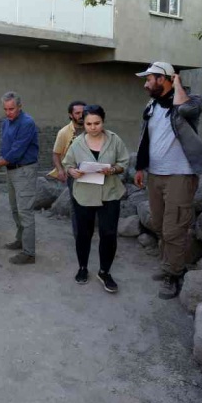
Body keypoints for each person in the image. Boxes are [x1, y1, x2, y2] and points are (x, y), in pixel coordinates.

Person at [133, 62, 202, 299]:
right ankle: (169, 265)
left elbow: (186, 111)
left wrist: (178, 83)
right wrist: (140, 167)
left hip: (180, 175)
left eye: (150, 79)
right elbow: (145, 136)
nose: (145, 83)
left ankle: (174, 274)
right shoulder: (151, 105)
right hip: (155, 174)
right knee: (160, 225)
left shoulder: (192, 100)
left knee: (175, 228)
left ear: (164, 79)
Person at [63, 105, 129, 293]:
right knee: (84, 234)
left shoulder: (114, 140)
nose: (93, 127)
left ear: (103, 121)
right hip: (84, 194)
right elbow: (67, 163)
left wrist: (113, 169)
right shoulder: (77, 143)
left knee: (108, 233)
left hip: (110, 193)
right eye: (88, 123)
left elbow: (124, 162)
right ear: (83, 123)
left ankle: (104, 271)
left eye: (97, 123)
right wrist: (71, 171)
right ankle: (83, 267)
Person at [0, 92, 40, 265]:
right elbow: (6, 147)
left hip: (24, 171)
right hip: (12, 170)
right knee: (15, 209)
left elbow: (16, 151)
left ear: (20, 106)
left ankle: (29, 253)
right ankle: (21, 239)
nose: (8, 112)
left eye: (12, 109)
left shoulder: (27, 123)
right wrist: (1, 163)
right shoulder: (6, 123)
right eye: (5, 109)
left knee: (25, 212)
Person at [48, 100, 86, 183]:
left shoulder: (92, 130)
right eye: (77, 113)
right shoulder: (64, 132)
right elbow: (56, 154)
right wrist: (60, 170)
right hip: (72, 172)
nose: (81, 116)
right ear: (70, 115)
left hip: (90, 171)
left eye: (83, 112)